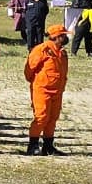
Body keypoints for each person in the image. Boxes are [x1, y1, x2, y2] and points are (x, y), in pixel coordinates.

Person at [25, 22, 69, 156]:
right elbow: (29, 70)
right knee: (41, 117)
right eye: (63, 36)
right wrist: (38, 82)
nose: (66, 38)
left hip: (58, 90)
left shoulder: (62, 52)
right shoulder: (41, 49)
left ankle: (48, 146)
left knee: (53, 118)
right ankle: (32, 146)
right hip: (42, 90)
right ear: (56, 36)